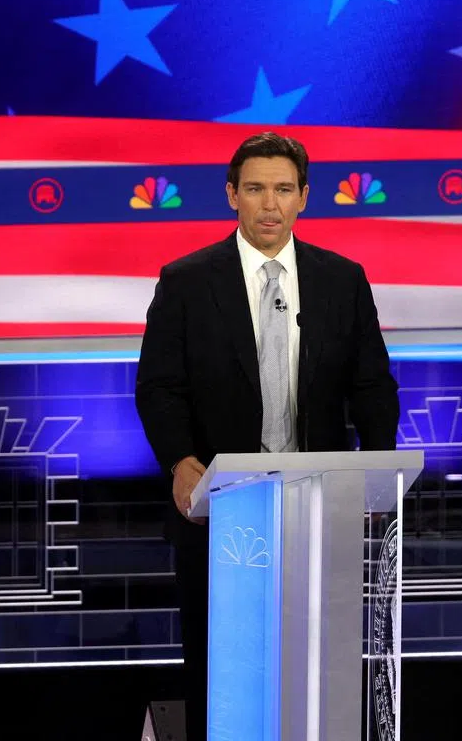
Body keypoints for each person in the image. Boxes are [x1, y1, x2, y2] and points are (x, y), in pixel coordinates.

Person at [135, 131, 400, 739]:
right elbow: (158, 386)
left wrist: (375, 470)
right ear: (232, 195)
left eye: (283, 189)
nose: (269, 204)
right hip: (218, 509)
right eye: (255, 189)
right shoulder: (186, 281)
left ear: (305, 197)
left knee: (315, 653)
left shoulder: (343, 280)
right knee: (220, 657)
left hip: (318, 504)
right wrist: (179, 459)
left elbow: (371, 387)